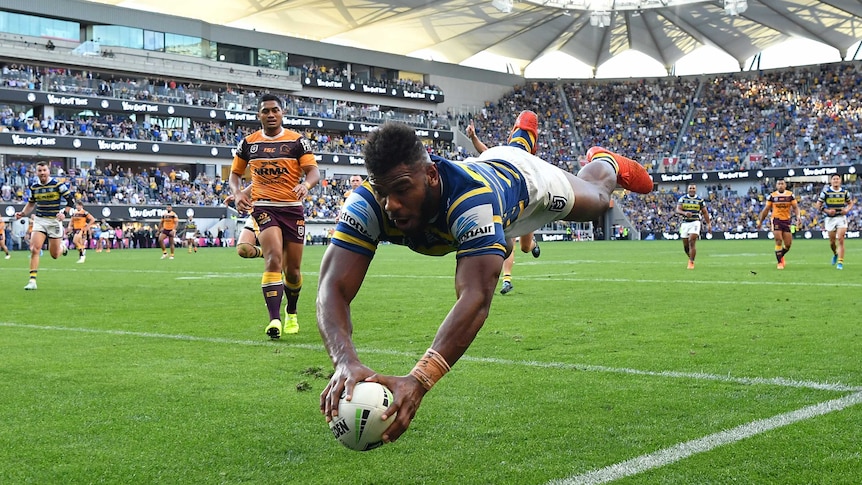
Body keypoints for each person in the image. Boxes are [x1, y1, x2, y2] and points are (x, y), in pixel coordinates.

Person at [317, 117, 653, 443]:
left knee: (597, 201)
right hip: (489, 170)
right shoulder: (367, 203)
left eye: (402, 189)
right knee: (497, 242)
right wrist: (344, 361)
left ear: (431, 175)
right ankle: (521, 139)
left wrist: (419, 380)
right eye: (382, 192)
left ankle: (604, 159)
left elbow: (475, 298)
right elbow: (332, 286)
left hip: (523, 182)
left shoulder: (471, 200)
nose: (391, 204)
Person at [229, 93, 321, 338]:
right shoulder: (248, 143)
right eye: (265, 111)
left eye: (275, 110)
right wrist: (238, 193)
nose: (270, 115)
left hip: (292, 209)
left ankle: (291, 311)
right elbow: (235, 174)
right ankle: (274, 320)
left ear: (282, 113)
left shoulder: (297, 141)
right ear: (259, 115)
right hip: (264, 207)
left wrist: (306, 186)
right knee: (273, 259)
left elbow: (313, 172)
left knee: (293, 271)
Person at [465, 117, 541, 295]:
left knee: (524, 246)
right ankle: (507, 280)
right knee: (510, 240)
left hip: (529, 204)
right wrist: (473, 137)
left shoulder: (532, 162)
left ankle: (533, 243)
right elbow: (487, 153)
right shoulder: (508, 153)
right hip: (514, 202)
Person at [14, 161, 74, 290]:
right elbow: (31, 203)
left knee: (54, 255)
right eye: (39, 171)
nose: (42, 173)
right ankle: (32, 281)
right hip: (40, 220)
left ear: (48, 171)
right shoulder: (34, 187)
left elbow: (71, 201)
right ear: (36, 172)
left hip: (54, 221)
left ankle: (62, 247)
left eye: (44, 170)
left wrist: (64, 212)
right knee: (34, 249)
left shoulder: (58, 185)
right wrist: (23, 213)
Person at [756, 178, 800, 270]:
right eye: (779, 184)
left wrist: (798, 217)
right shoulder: (772, 196)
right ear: (776, 186)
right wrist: (760, 221)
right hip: (776, 220)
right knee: (778, 240)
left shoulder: (790, 195)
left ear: (785, 185)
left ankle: (780, 255)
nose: (780, 185)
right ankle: (780, 262)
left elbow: (795, 207)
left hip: (787, 221)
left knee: (788, 245)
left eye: (782, 183)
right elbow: (766, 210)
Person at [814, 174, 856, 270]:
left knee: (841, 239)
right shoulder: (826, 192)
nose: (836, 180)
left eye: (837, 179)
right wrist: (827, 211)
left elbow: (850, 203)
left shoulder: (845, 192)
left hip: (841, 217)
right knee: (832, 242)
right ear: (831, 181)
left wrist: (847, 210)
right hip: (830, 219)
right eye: (834, 179)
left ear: (840, 181)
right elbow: (818, 205)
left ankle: (840, 263)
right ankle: (835, 254)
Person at [675, 183, 711, 269]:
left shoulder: (700, 200)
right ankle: (690, 257)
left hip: (695, 222)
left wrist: (709, 224)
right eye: (690, 188)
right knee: (686, 246)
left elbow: (705, 212)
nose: (692, 189)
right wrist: (684, 213)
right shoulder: (683, 199)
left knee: (692, 241)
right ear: (688, 189)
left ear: (695, 190)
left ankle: (691, 262)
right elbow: (677, 209)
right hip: (685, 223)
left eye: (693, 188)